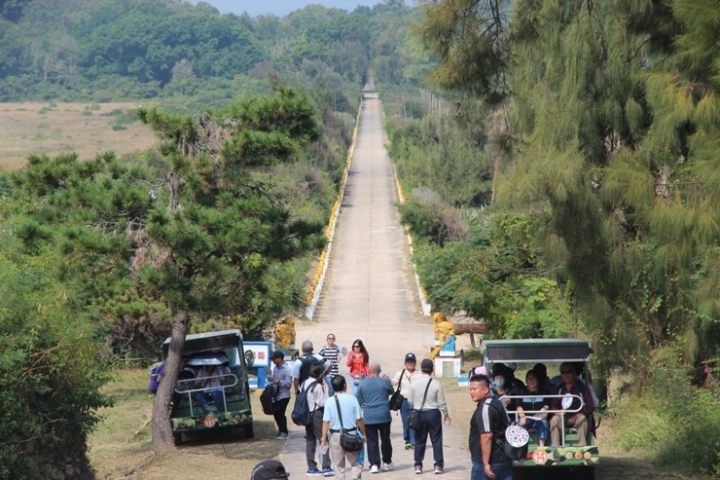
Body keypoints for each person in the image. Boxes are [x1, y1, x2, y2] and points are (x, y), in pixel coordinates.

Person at [407, 358, 450, 475]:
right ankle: (438, 465)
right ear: (432, 370)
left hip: (419, 414)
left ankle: (418, 465)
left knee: (420, 440)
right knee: (436, 440)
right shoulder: (436, 384)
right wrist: (446, 414)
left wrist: (417, 405)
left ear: (421, 369)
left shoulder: (414, 383)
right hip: (433, 413)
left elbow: (410, 401)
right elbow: (442, 402)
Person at [321, 375, 367, 480]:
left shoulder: (329, 401)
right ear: (345, 386)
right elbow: (359, 419)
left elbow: (326, 422)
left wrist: (324, 439)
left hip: (335, 436)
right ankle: (355, 477)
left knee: (338, 465)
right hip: (352, 434)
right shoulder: (352, 399)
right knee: (356, 462)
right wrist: (364, 434)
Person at [468, 374, 512, 480]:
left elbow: (487, 436)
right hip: (503, 459)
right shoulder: (497, 402)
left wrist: (486, 463)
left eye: (475, 389)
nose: (471, 392)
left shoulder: (485, 408)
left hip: (491, 462)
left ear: (486, 389)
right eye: (470, 389)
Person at [355, 362, 395, 473]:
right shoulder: (384, 382)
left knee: (372, 441)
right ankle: (387, 462)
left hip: (369, 417)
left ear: (368, 371)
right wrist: (387, 380)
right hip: (384, 416)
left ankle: (374, 464)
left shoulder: (363, 384)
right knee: (386, 439)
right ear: (379, 371)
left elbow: (357, 399)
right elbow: (392, 391)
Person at [549, 362, 595, 447]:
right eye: (563, 372)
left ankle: (582, 446)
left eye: (569, 372)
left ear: (574, 373)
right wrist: (558, 413)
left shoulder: (582, 388)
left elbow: (590, 406)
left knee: (583, 419)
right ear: (561, 374)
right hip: (562, 417)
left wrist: (576, 416)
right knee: (554, 419)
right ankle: (555, 447)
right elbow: (553, 406)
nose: (566, 375)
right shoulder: (558, 389)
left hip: (577, 417)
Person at [302, 362, 334, 477]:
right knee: (323, 439)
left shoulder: (304, 383)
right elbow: (321, 402)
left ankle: (311, 467)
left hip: (307, 414)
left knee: (310, 440)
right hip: (317, 414)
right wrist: (326, 391)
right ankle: (326, 466)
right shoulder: (318, 385)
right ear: (319, 373)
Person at [391, 352, 422, 450]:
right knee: (406, 422)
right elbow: (393, 382)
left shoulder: (420, 374)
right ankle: (408, 440)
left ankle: (414, 441)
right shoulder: (400, 373)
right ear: (405, 363)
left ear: (415, 362)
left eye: (412, 361)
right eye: (408, 361)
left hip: (416, 401)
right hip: (404, 401)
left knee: (415, 421)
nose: (410, 363)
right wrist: (386, 380)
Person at [515, 370, 550, 446]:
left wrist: (542, 416)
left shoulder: (544, 392)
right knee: (519, 423)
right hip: (526, 418)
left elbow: (546, 407)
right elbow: (519, 406)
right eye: (529, 378)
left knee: (544, 422)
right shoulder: (521, 391)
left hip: (539, 419)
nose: (531, 381)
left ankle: (541, 447)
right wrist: (522, 416)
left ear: (538, 380)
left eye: (533, 378)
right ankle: (521, 448)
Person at [269, 350, 292, 439]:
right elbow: (274, 379)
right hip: (276, 394)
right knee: (276, 413)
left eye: (274, 359)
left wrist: (279, 382)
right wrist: (271, 379)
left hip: (284, 395)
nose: (273, 361)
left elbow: (288, 384)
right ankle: (280, 430)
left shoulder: (287, 370)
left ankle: (285, 432)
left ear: (280, 359)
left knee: (281, 413)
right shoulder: (275, 368)